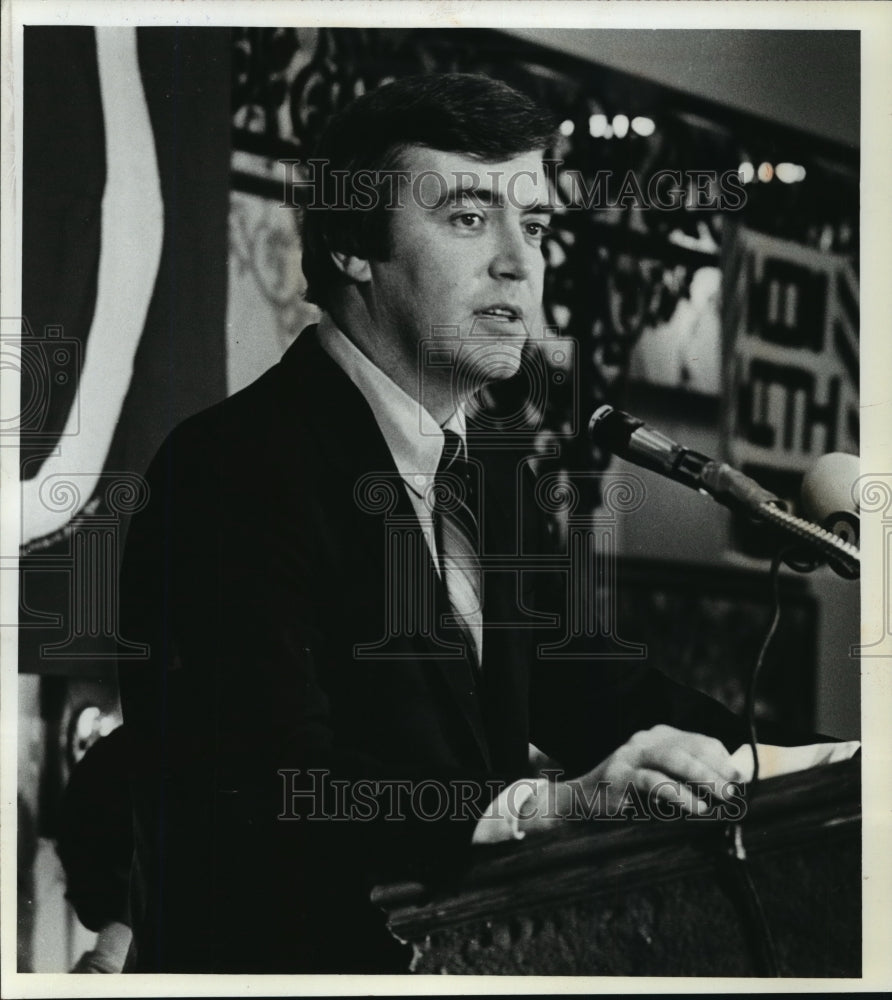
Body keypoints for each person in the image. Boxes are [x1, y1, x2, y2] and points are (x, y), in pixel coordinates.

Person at [118, 73, 748, 974]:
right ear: (350, 244)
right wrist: (549, 808)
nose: (520, 265)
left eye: (534, 227)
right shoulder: (231, 469)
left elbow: (605, 696)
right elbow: (269, 786)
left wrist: (816, 761)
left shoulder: (490, 475)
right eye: (467, 217)